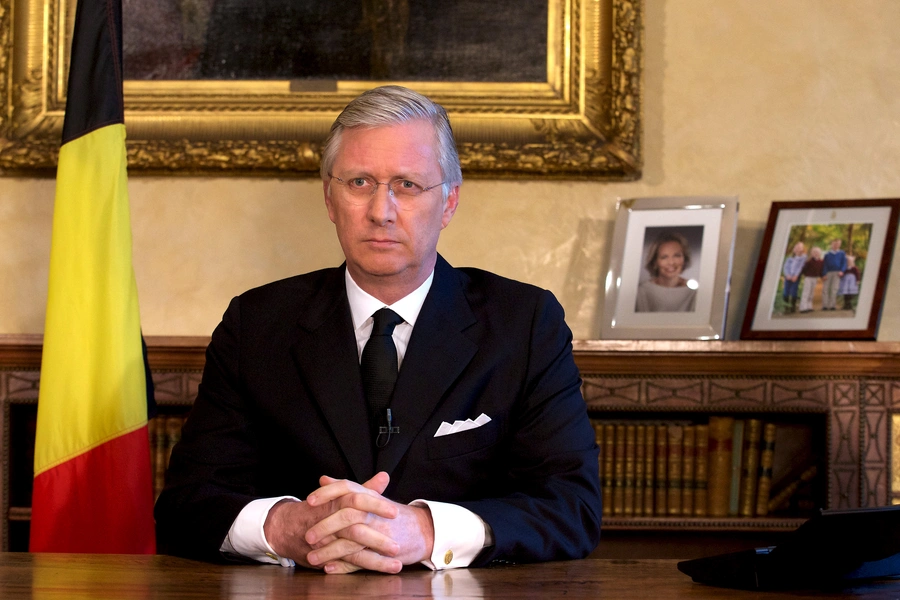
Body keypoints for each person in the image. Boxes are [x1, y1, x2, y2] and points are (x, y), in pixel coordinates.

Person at [154, 85, 602, 574]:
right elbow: (185, 505)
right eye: (360, 182)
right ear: (330, 197)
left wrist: (425, 532)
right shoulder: (257, 323)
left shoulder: (524, 324)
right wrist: (287, 527)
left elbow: (571, 507)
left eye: (407, 185)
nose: (381, 211)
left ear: (449, 202)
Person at [634, 231, 697, 312]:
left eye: (677, 256)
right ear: (655, 262)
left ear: (684, 259)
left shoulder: (694, 292)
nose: (671, 262)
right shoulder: (642, 291)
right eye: (664, 257)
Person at [821, 238, 847, 310]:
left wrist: (842, 271)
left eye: (838, 244)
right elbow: (824, 265)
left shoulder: (842, 253)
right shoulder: (827, 254)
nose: (836, 245)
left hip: (837, 273)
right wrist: (824, 274)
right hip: (828, 272)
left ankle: (832, 305)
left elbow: (844, 263)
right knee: (825, 289)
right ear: (832, 244)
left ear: (840, 244)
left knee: (834, 289)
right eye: (834, 243)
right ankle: (825, 305)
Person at [781, 241, 806, 313]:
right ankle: (786, 307)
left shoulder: (803, 257)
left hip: (796, 277)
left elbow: (800, 267)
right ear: (794, 249)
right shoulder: (790, 257)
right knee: (786, 291)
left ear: (802, 249)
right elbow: (786, 266)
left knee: (794, 291)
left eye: (800, 247)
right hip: (788, 276)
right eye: (797, 247)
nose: (798, 249)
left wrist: (795, 275)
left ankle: (792, 307)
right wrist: (787, 274)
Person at [798, 246, 824, 313]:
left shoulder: (821, 262)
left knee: (811, 293)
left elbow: (821, 271)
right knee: (806, 292)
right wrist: (803, 275)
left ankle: (809, 306)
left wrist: (822, 276)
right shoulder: (809, 261)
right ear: (812, 253)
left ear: (820, 253)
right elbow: (803, 269)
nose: (816, 253)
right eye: (814, 252)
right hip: (808, 278)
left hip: (815, 278)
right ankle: (803, 307)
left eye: (817, 252)